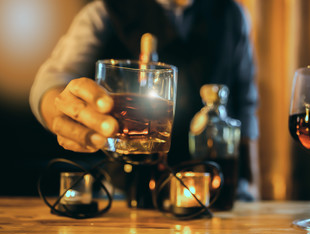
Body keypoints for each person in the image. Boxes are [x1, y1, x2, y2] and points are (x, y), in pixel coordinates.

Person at [30, 0, 260, 200]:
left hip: (210, 193)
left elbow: (246, 103)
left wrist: (250, 183)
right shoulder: (103, 11)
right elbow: (53, 80)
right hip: (123, 191)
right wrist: (60, 113)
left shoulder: (233, 15)